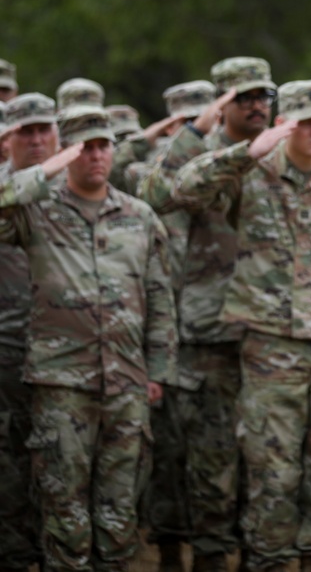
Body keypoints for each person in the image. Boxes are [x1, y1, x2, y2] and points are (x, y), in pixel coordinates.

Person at [171, 78, 311, 572]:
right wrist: (244, 153)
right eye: (304, 121)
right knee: (272, 471)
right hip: (270, 349)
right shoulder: (251, 175)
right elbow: (181, 189)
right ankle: (269, 561)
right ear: (281, 123)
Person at [0, 106, 178, 572]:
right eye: (85, 147)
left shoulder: (138, 216)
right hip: (61, 382)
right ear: (66, 152)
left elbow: (158, 297)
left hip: (126, 383)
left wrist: (157, 371)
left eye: (104, 146)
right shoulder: (37, 211)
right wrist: (45, 170)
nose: (97, 156)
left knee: (119, 508)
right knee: (64, 506)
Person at [137, 61, 278, 572]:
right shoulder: (199, 153)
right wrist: (199, 130)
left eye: (265, 94)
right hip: (207, 331)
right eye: (245, 97)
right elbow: (155, 193)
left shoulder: (280, 150)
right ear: (221, 103)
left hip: (269, 330)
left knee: (264, 459)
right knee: (206, 461)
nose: (258, 105)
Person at [0, 92, 60, 572]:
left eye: (45, 130)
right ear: (7, 139)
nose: (37, 140)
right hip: (6, 347)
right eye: (26, 131)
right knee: (9, 459)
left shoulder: (75, 186)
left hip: (67, 352)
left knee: (60, 459)